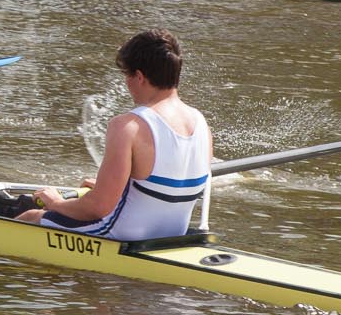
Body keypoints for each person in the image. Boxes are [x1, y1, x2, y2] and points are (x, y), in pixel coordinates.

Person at [18, 30, 210, 240]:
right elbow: (164, 187)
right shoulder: (201, 123)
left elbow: (98, 207)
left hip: (120, 236)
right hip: (174, 236)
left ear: (139, 77)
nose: (127, 84)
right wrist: (115, 189)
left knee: (31, 217)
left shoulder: (128, 126)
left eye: (127, 76)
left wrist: (56, 202)